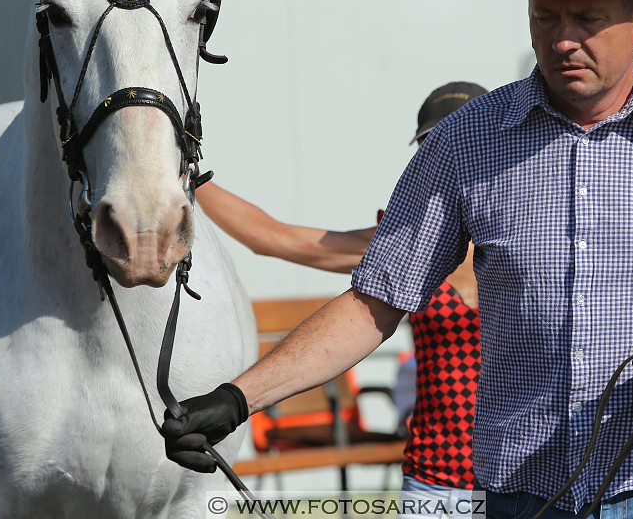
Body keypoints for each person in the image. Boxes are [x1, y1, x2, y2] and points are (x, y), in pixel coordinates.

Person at [161, 0, 633, 517]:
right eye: (545, 17)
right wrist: (240, 398)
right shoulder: (465, 142)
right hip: (527, 491)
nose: (563, 40)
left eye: (587, 19)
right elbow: (374, 303)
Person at [195, 82, 487, 518]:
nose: (446, 160)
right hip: (437, 473)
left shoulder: (531, 234)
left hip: (525, 472)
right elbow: (272, 238)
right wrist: (184, 175)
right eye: (431, 147)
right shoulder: (406, 240)